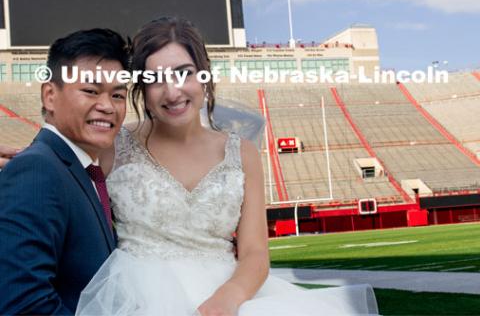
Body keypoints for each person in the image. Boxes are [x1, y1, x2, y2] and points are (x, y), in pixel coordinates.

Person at [76, 17, 378, 316]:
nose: (172, 92)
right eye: (156, 79)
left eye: (184, 74)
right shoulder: (113, 145)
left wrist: (228, 299)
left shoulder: (242, 154)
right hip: (136, 296)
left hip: (229, 295)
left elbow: (255, 253)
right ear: (141, 86)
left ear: (204, 75)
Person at [0, 28, 129, 315]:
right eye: (90, 91)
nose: (108, 106)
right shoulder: (37, 170)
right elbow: (23, 303)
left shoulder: (82, 171)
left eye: (118, 95)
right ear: (49, 96)